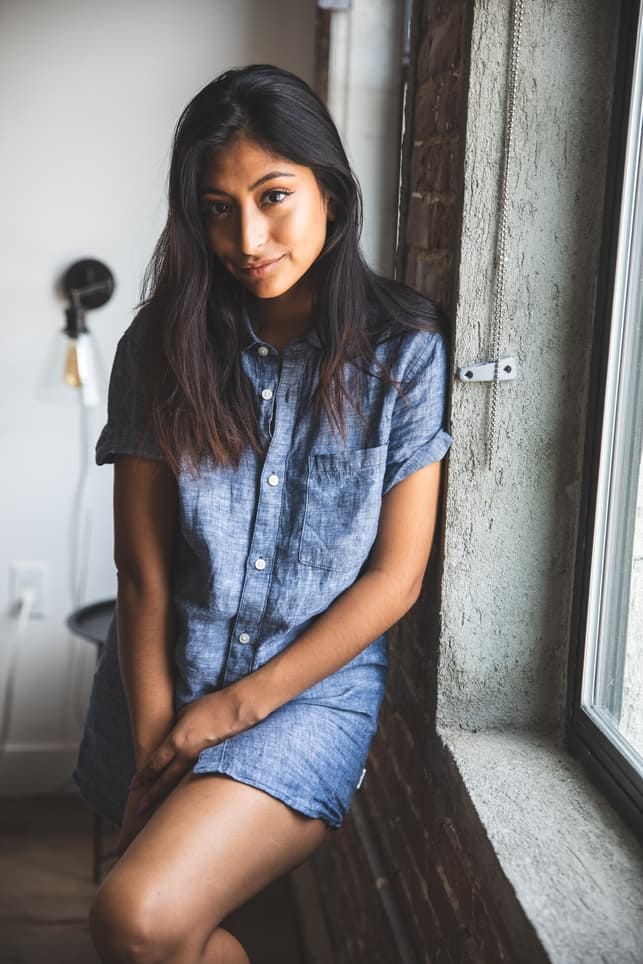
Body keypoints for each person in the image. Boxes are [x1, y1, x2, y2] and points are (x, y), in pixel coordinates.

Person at [74, 63, 452, 964]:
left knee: (135, 920)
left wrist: (230, 712)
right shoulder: (158, 348)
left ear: (328, 186)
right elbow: (145, 571)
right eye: (216, 208)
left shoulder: (404, 353)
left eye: (273, 196)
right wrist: (158, 739)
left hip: (308, 698)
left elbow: (394, 581)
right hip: (165, 676)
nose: (247, 236)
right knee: (164, 935)